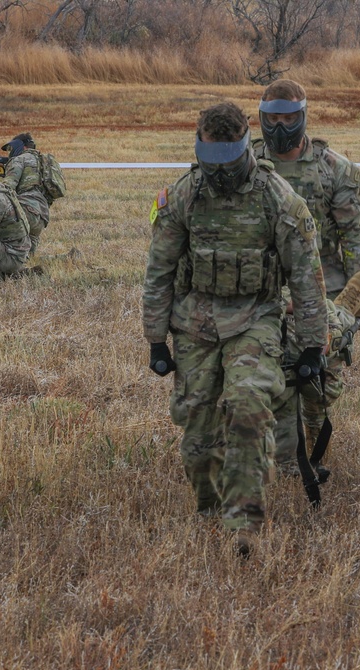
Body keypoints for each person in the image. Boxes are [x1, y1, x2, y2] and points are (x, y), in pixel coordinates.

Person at [142, 101, 329, 555]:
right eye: (212, 161)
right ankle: (209, 510)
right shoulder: (183, 196)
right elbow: (159, 270)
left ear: (245, 146)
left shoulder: (277, 197)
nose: (220, 172)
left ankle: (243, 525)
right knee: (199, 434)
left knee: (248, 410)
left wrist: (311, 347)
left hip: (256, 321)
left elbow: (307, 276)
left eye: (228, 161)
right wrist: (155, 339)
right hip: (196, 326)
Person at [252, 79, 360, 471]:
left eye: (289, 118)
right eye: (272, 119)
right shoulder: (247, 166)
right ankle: (284, 458)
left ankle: (312, 453)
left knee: (318, 385)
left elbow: (355, 242)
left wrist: (356, 305)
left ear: (303, 117)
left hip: (324, 291)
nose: (280, 127)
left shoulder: (335, 170)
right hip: (264, 288)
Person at [0, 133, 53, 256]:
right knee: (29, 258)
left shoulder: (19, 159)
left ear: (21, 147)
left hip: (25, 210)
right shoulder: (43, 161)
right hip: (42, 214)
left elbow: (8, 187)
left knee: (14, 256)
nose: (10, 152)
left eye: (11, 148)